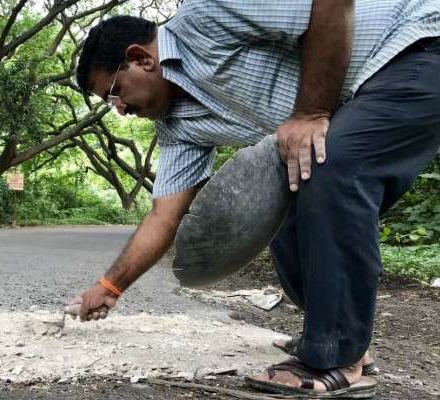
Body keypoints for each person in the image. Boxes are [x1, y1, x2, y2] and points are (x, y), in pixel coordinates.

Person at [70, 0, 440, 397]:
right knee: (282, 204)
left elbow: (331, 4)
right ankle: (336, 335)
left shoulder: (206, 17)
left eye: (115, 92)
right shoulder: (177, 127)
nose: (120, 109)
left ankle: (334, 357)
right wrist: (110, 287)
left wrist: (310, 112)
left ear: (141, 58)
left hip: (412, 44)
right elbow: (164, 216)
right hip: (361, 97)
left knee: (330, 164)